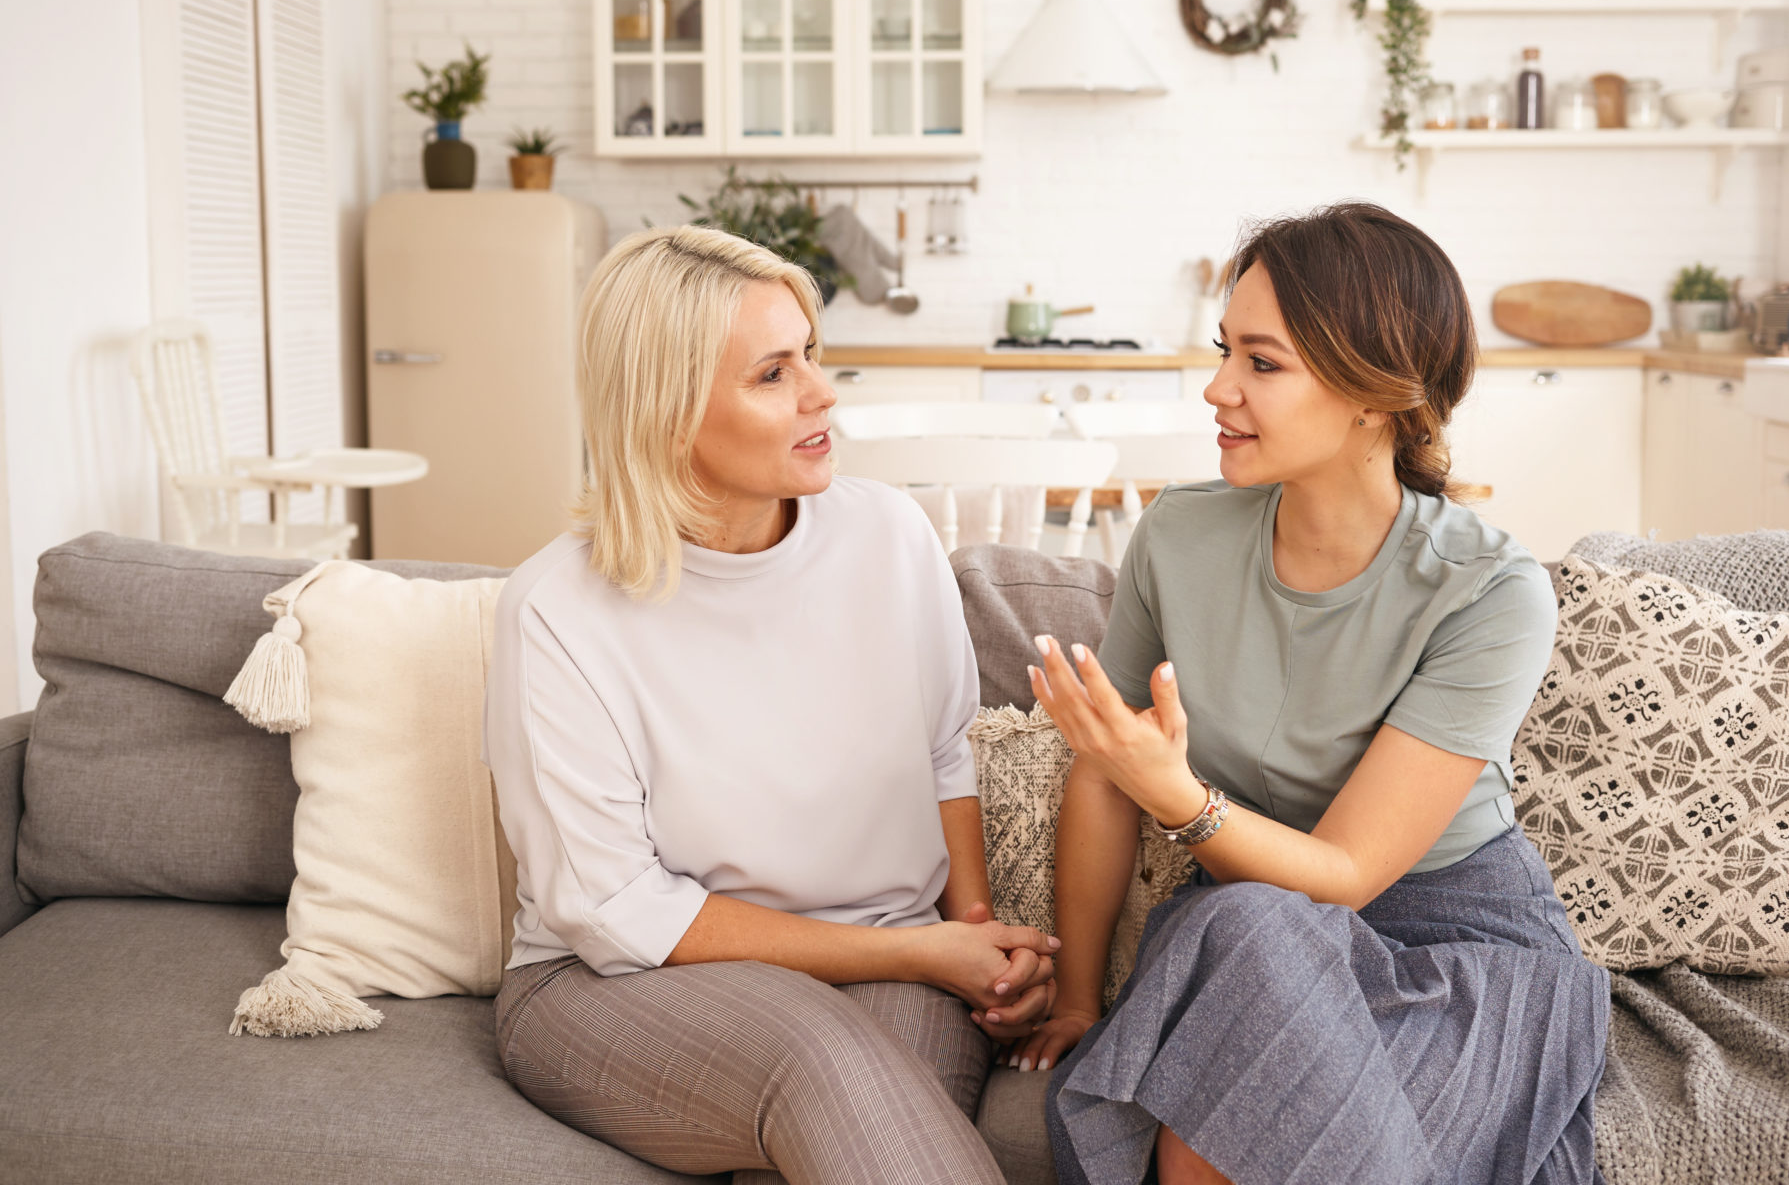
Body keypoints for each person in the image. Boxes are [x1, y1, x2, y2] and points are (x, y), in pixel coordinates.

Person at [1011, 202, 1610, 1185]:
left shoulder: (1490, 587)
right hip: (1255, 935)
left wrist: (1179, 796)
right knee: (1250, 929)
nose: (1216, 388)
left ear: (1373, 392)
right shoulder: (1179, 535)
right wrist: (1078, 994)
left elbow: (1344, 870)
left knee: (1252, 978)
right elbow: (1103, 774)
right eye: (1223, 351)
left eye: (1261, 361)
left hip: (1457, 946)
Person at [485, 225, 1055, 1185]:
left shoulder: (889, 536)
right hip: (615, 986)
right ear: (667, 414)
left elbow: (944, 752)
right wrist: (924, 954)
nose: (823, 392)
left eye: (813, 357)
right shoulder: (556, 613)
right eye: (772, 373)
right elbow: (618, 912)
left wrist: (974, 938)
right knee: (822, 1058)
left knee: (853, 1109)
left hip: (897, 950)